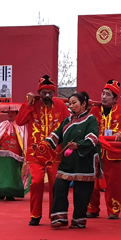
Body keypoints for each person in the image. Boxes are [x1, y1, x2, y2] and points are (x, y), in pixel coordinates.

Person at [16, 75, 70, 225]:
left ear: (54, 93)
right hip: (35, 153)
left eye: (50, 92)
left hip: (55, 153)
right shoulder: (32, 104)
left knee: (55, 184)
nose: (47, 95)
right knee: (37, 182)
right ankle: (35, 214)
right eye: (44, 92)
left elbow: (67, 126)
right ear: (38, 93)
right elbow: (19, 121)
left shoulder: (60, 105)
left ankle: (55, 214)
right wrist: (29, 103)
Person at [45, 92, 100, 229]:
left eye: (74, 102)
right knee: (59, 186)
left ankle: (79, 219)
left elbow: (93, 138)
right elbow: (56, 135)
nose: (71, 106)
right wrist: (44, 145)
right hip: (67, 162)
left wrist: (78, 145)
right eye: (69, 103)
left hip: (84, 161)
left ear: (83, 104)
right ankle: (59, 217)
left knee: (81, 193)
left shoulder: (90, 119)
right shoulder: (67, 121)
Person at [87, 80, 121, 220]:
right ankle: (92, 209)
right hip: (95, 152)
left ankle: (113, 210)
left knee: (114, 184)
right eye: (103, 93)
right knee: (92, 182)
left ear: (115, 99)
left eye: (108, 95)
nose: (103, 97)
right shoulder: (94, 110)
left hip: (114, 153)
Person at [0, 105, 27, 201]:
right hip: (2, 153)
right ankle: (2, 191)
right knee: (1, 174)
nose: (9, 114)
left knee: (11, 175)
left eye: (12, 112)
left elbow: (24, 140)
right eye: (8, 112)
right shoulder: (2, 124)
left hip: (15, 154)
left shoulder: (21, 126)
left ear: (17, 114)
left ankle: (9, 193)